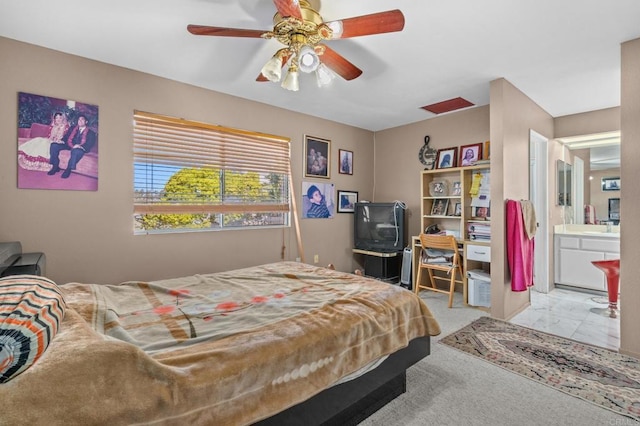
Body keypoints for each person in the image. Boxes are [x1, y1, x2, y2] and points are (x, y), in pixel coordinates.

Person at [48, 114, 97, 179]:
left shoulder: (91, 133)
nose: (80, 121)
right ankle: (55, 166)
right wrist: (62, 140)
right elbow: (66, 136)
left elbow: (90, 143)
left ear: (86, 122)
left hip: (80, 147)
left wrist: (80, 146)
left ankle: (68, 169)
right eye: (79, 120)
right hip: (69, 145)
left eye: (82, 120)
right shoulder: (72, 128)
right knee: (54, 145)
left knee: (76, 151)